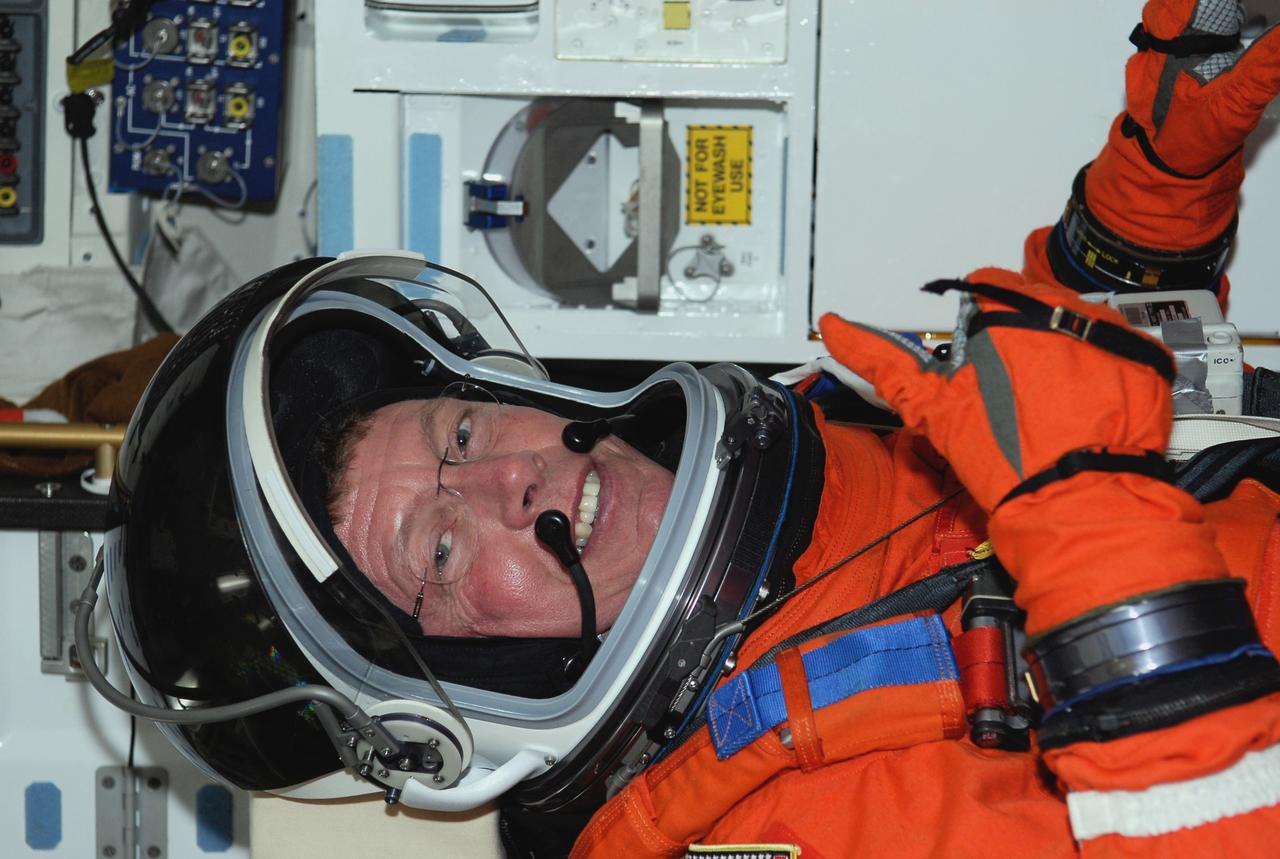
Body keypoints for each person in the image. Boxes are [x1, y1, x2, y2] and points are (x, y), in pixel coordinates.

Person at [92, 1, 1280, 857]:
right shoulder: (741, 823)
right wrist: (1093, 538)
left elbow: (1101, 408)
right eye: (439, 551)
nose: (510, 476)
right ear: (455, 692)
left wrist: (1160, 184)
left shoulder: (816, 450)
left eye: (457, 434)